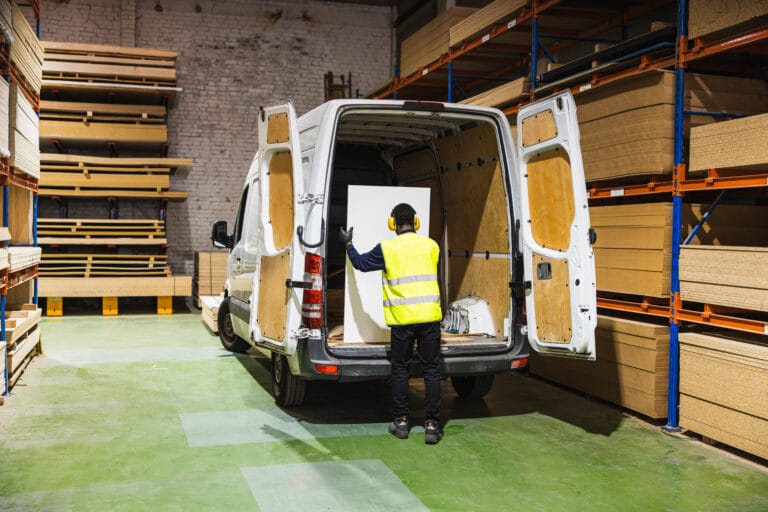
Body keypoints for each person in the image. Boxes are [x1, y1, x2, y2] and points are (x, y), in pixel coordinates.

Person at [339, 203, 444, 445]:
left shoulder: (386, 248)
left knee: (400, 370)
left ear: (392, 224)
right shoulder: (432, 246)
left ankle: (401, 422)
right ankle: (432, 425)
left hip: (402, 320)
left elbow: (361, 264)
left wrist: (348, 243)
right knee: (431, 370)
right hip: (430, 317)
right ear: (415, 222)